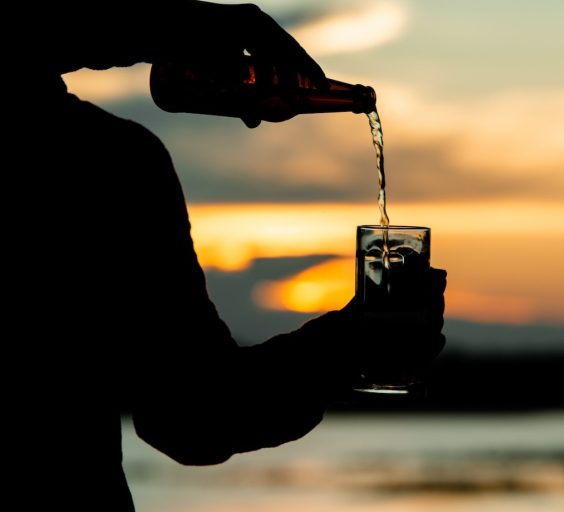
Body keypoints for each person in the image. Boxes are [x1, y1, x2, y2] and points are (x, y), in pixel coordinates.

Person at [11, 1, 446, 510]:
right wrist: (339, 352)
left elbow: (194, 412)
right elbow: (193, 419)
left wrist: (341, 348)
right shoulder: (110, 165)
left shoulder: (118, 162)